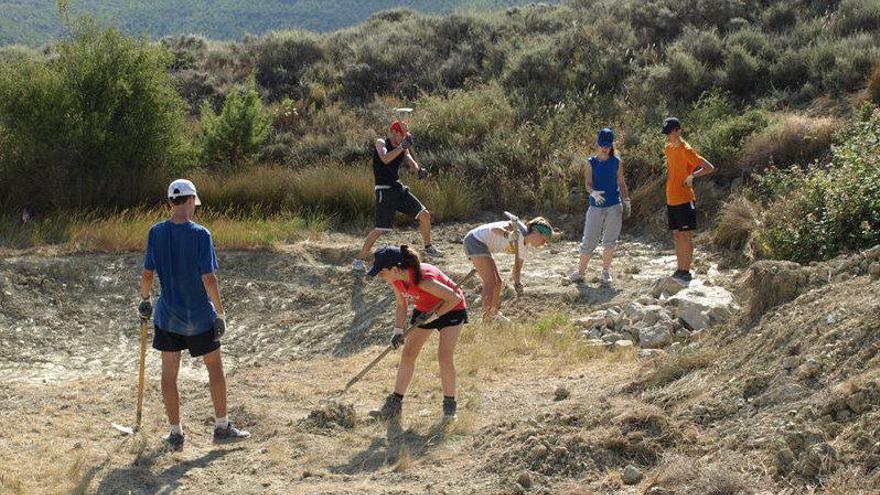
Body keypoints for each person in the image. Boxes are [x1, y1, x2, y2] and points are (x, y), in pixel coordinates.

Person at [137, 179, 250, 451]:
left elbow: (148, 274)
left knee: (168, 374)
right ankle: (222, 427)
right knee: (214, 368)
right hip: (198, 315)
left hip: (167, 316)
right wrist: (220, 313)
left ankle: (175, 433)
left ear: (169, 203)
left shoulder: (156, 232)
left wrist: (144, 300)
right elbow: (209, 278)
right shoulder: (201, 234)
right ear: (191, 201)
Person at [366, 245, 468, 422]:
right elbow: (401, 305)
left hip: (452, 309)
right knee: (408, 354)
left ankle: (449, 408)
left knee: (444, 356)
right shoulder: (396, 280)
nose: (379, 276)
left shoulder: (423, 279)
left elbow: (455, 298)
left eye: (381, 272)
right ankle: (394, 405)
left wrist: (434, 316)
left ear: (395, 269)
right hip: (425, 311)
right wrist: (397, 330)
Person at [352, 121, 443, 271]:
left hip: (397, 188)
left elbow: (409, 159)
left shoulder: (403, 147)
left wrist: (419, 170)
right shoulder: (381, 142)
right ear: (394, 132)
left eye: (406, 133)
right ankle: (358, 260)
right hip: (384, 191)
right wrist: (402, 147)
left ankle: (428, 247)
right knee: (380, 230)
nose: (405, 136)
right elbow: (385, 158)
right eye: (403, 133)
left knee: (424, 215)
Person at [463, 216, 553, 323]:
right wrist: (508, 235)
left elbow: (517, 269)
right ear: (536, 232)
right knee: (490, 282)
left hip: (486, 247)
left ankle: (493, 313)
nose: (543, 244)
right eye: (543, 240)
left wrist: (518, 284)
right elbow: (494, 229)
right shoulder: (518, 228)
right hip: (475, 240)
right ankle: (486, 320)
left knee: (498, 283)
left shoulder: (523, 249)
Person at [569, 128, 630, 285]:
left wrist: (627, 200)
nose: (605, 148)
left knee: (610, 241)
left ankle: (606, 272)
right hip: (595, 207)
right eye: (602, 145)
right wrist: (593, 193)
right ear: (598, 144)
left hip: (614, 207)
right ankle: (581, 272)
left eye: (608, 145)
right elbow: (588, 184)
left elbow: (621, 183)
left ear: (611, 145)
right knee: (589, 239)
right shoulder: (591, 163)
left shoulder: (617, 162)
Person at [661, 117, 716, 282]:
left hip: (685, 199)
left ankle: (686, 271)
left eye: (670, 132)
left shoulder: (687, 150)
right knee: (677, 235)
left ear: (678, 130)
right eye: (667, 133)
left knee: (686, 236)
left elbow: (709, 167)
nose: (668, 136)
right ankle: (680, 269)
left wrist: (693, 175)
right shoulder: (668, 149)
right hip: (671, 199)